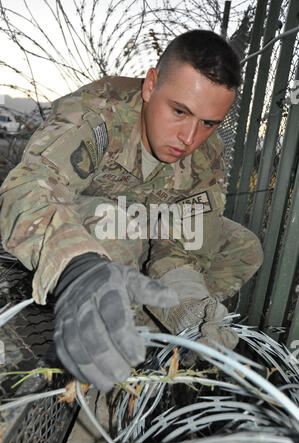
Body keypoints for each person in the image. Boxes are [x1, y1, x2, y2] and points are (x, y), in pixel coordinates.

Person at [0, 30, 263, 391]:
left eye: (208, 123)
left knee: (243, 246)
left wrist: (186, 305)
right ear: (150, 85)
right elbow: (29, 187)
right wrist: (78, 269)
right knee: (121, 229)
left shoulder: (206, 156)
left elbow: (185, 242)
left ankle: (146, 336)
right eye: (179, 111)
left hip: (143, 232)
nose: (189, 138)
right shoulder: (97, 113)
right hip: (76, 240)